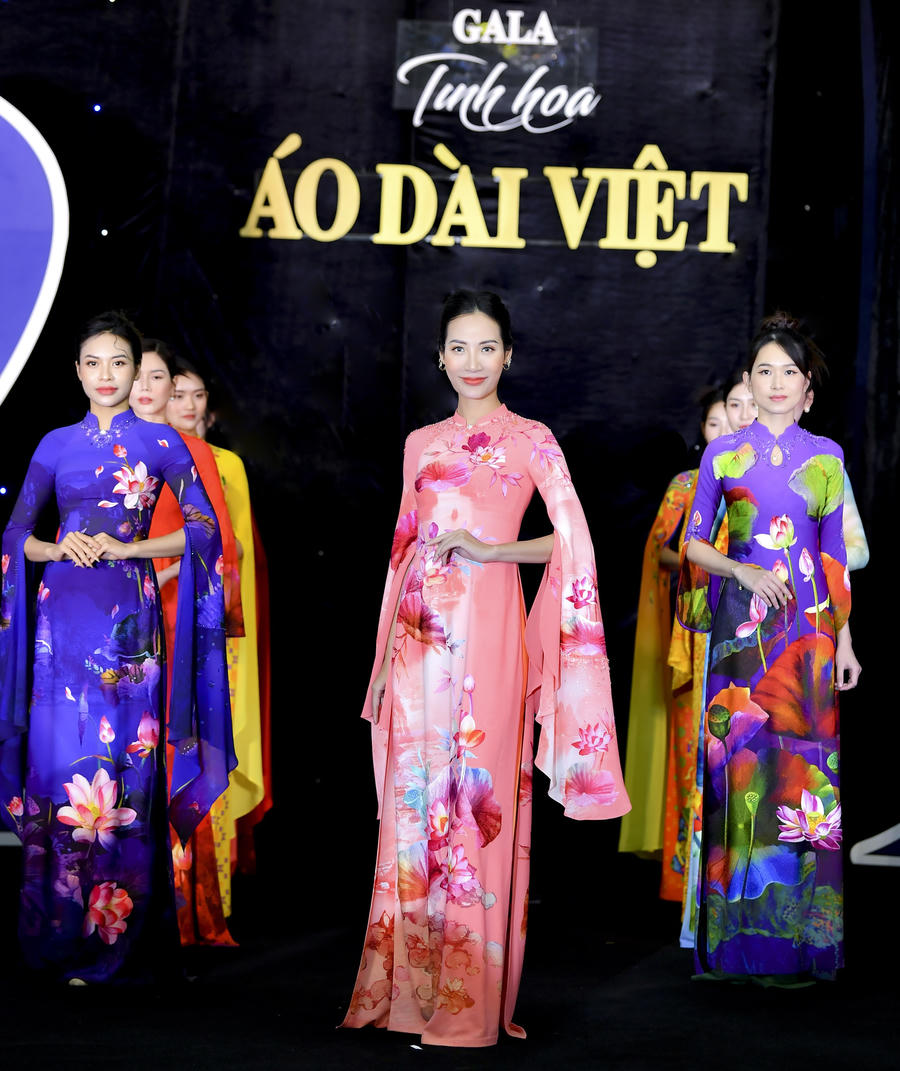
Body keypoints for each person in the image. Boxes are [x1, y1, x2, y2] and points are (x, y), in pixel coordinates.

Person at [342, 290, 629, 1047]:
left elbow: (572, 540)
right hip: (417, 640)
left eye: (487, 347)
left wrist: (493, 550)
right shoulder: (420, 443)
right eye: (459, 348)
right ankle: (411, 1001)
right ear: (441, 358)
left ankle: (466, 1009)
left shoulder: (534, 439)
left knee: (476, 804)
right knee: (415, 810)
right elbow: (401, 552)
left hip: (494, 637)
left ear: (508, 356)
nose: (473, 361)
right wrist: (381, 661)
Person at [0, 312, 233, 982]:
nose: (106, 375)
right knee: (56, 769)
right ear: (77, 371)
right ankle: (55, 933)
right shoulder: (53, 444)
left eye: (119, 363)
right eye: (93, 363)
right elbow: (14, 535)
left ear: (137, 372)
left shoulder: (161, 442)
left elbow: (203, 531)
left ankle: (114, 942)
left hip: (127, 623)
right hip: (60, 627)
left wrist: (129, 547)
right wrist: (54, 546)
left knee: (122, 770)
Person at [678, 314, 859, 982]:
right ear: (748, 384)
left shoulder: (828, 457)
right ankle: (735, 946)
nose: (776, 382)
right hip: (741, 631)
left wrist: (845, 641)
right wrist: (741, 570)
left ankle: (805, 943)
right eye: (764, 371)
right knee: (739, 765)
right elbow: (693, 543)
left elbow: (835, 559)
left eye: (789, 372)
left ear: (807, 388)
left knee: (808, 776)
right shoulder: (723, 455)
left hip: (811, 633)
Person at [131, 340, 243, 946]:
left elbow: (218, 546)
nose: (148, 389)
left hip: (174, 620)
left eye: (160, 380)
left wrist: (160, 569)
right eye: (139, 376)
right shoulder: (99, 451)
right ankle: (113, 916)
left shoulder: (191, 453)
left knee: (171, 756)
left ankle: (176, 916)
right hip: (113, 626)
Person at [619, 392, 728, 909]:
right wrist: (706, 564)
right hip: (696, 633)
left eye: (737, 414)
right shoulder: (688, 483)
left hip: (747, 632)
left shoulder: (755, 488)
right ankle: (685, 885)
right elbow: (657, 550)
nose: (726, 426)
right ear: (702, 429)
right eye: (715, 421)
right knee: (691, 754)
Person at [167, 362, 268, 916]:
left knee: (208, 747)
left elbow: (237, 552)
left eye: (197, 394)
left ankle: (207, 899)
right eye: (176, 392)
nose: (186, 404)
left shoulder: (225, 464)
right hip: (154, 614)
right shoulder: (147, 458)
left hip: (207, 619)